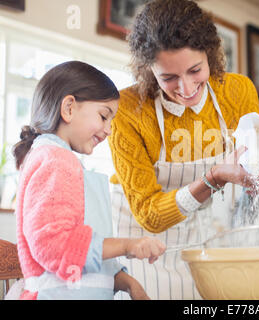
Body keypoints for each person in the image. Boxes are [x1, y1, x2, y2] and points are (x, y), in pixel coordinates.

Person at [108, 0, 259, 299]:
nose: (185, 89)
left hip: (204, 240)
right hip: (142, 248)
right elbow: (149, 214)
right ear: (148, 70)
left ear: (210, 54)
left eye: (195, 70)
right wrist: (214, 178)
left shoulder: (238, 90)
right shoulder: (128, 110)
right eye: (168, 77)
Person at [12, 61, 166, 300]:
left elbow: (83, 254)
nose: (109, 129)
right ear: (69, 108)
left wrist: (127, 283)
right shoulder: (55, 160)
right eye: (104, 116)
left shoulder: (61, 160)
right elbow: (54, 246)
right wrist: (127, 245)